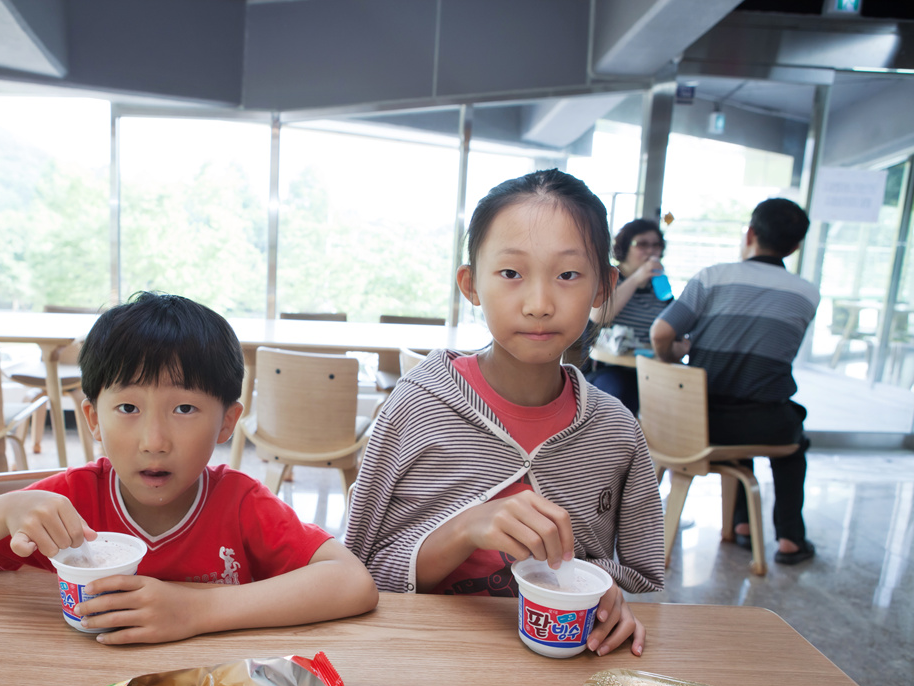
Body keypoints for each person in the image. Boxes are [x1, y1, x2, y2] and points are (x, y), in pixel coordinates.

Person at [0, 291, 378, 643]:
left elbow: (352, 582)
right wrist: (5, 511)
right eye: (127, 409)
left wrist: (196, 610)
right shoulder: (69, 505)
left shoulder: (242, 504)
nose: (154, 442)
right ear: (92, 419)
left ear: (228, 421)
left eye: (184, 409)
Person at [345, 170, 665, 657]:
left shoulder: (615, 430)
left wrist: (608, 599)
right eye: (511, 273)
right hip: (419, 664)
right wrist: (465, 529)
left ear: (604, 287)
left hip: (560, 679)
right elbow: (355, 572)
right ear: (471, 285)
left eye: (569, 275)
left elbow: (629, 575)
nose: (539, 304)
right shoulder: (418, 407)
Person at [650, 198, 818, 566]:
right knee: (790, 431)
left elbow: (660, 332)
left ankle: (743, 525)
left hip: (698, 422)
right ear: (795, 245)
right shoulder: (806, 293)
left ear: (751, 233)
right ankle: (789, 537)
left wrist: (673, 356)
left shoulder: (712, 277)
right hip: (763, 424)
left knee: (740, 411)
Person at [586, 218, 672, 414]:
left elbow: (672, 324)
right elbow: (600, 315)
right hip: (608, 368)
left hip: (648, 369)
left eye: (656, 245)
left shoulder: (659, 287)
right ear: (625, 247)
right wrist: (637, 278)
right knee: (618, 391)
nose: (651, 251)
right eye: (642, 244)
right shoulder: (609, 277)